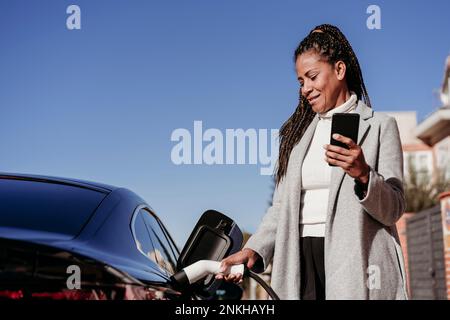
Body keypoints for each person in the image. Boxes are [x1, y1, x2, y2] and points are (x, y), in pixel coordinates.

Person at [215, 24, 408, 300]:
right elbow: (281, 207)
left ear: (339, 71)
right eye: (300, 81)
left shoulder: (380, 127)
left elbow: (394, 209)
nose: (305, 88)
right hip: (300, 262)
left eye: (312, 77)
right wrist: (254, 249)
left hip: (357, 268)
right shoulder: (298, 138)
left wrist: (364, 175)